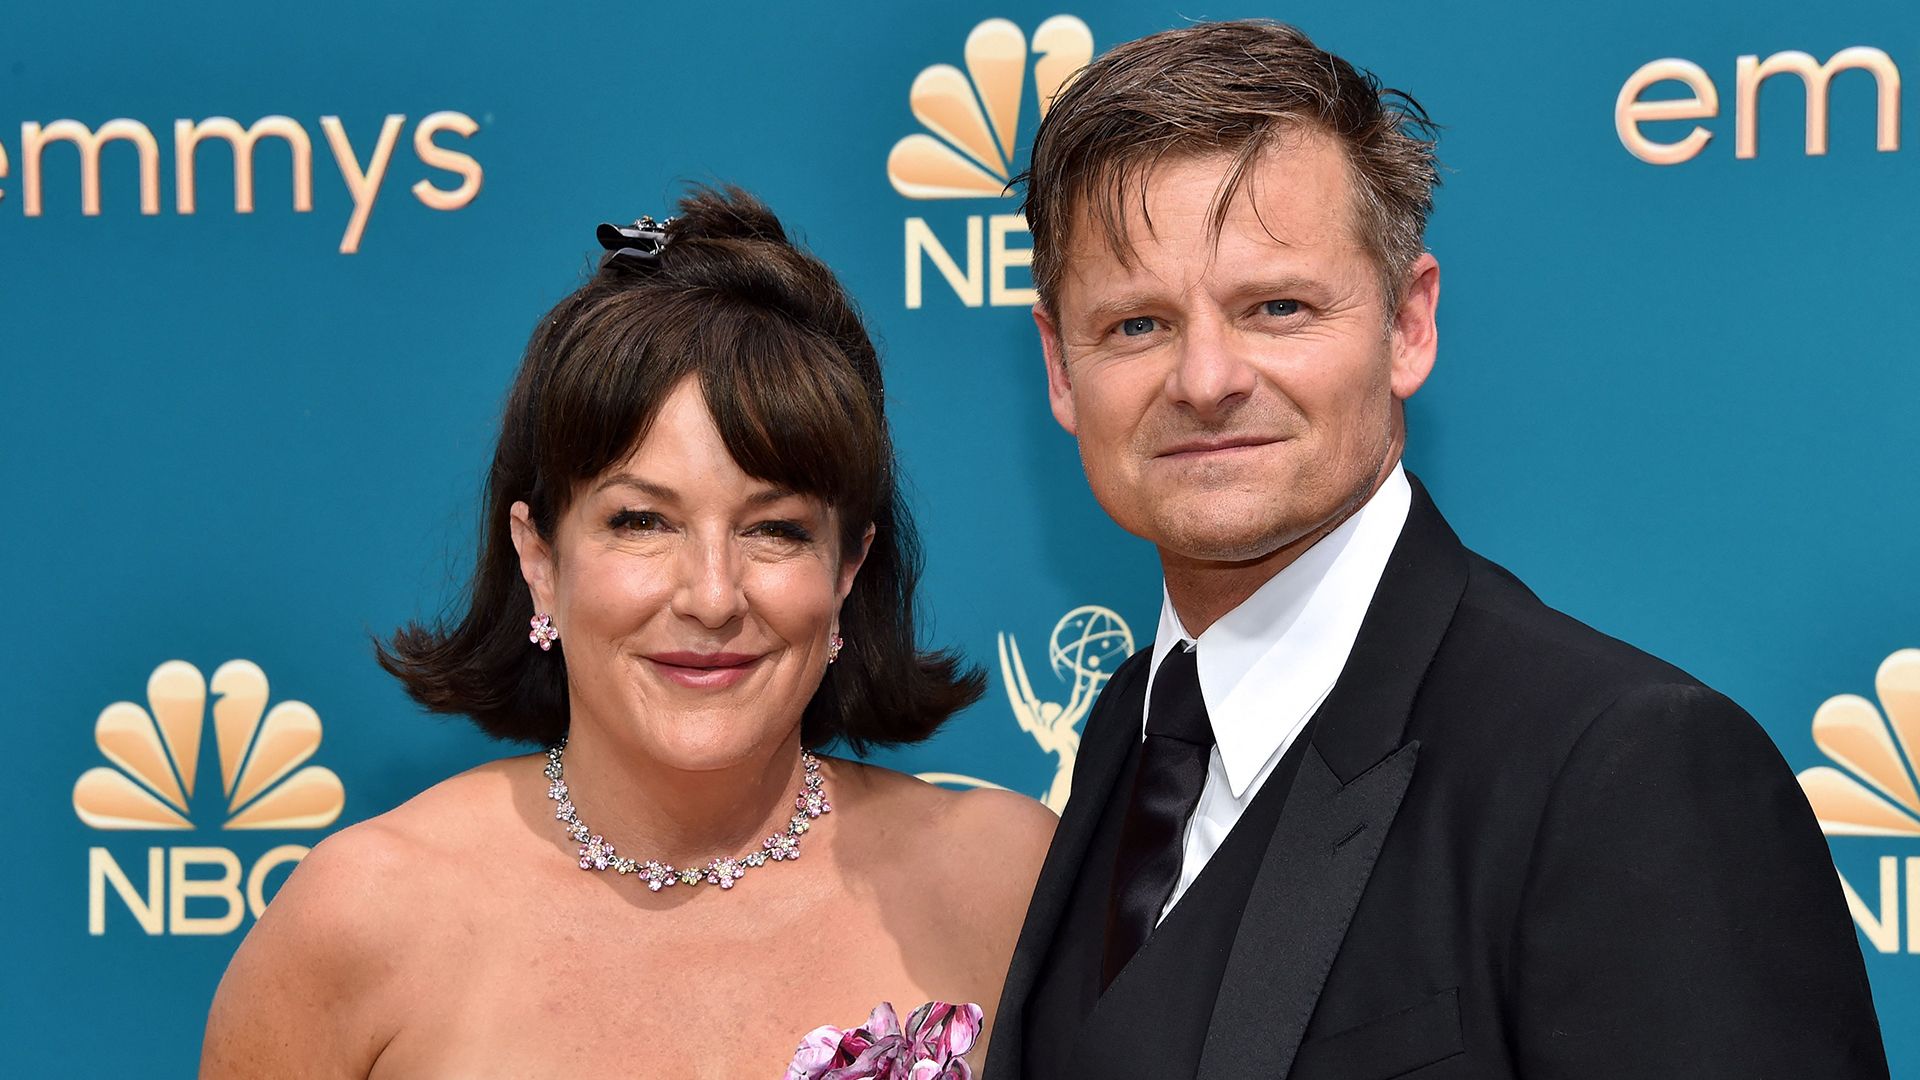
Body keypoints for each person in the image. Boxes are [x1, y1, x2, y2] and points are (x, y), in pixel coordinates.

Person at [984, 20, 1888, 1080]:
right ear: (1059, 366)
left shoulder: (1622, 772)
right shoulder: (1126, 732)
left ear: (1408, 326)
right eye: (1136, 325)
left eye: (1277, 308)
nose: (1206, 378)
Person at [201, 187, 1055, 1078]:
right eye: (643, 521)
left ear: (847, 570)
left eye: (775, 530)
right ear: (538, 555)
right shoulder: (363, 916)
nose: (713, 596)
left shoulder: (1003, 882)